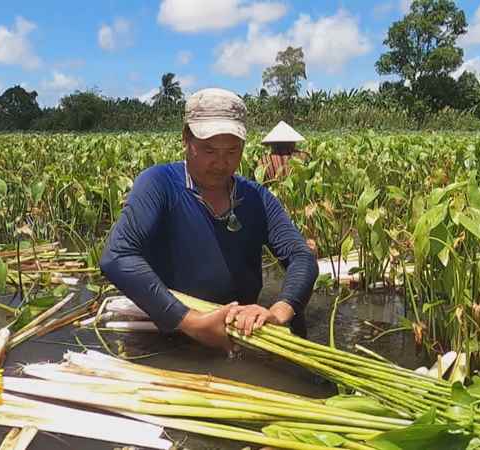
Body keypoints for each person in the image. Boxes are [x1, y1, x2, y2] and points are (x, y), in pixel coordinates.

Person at [99, 88, 318, 353]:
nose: (220, 163)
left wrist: (280, 311)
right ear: (185, 139)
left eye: (231, 151)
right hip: (169, 334)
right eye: (209, 150)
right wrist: (191, 321)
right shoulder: (159, 185)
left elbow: (301, 256)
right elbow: (118, 256)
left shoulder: (255, 198)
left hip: (239, 334)